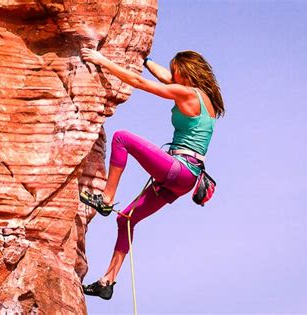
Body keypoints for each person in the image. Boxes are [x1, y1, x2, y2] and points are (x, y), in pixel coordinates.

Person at [79, 48, 225, 300]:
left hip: (180, 169)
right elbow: (165, 77)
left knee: (122, 138)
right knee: (126, 219)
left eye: (175, 72)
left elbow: (139, 83)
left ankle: (106, 198)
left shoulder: (187, 93)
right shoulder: (205, 99)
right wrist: (143, 60)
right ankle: (107, 281)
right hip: (185, 180)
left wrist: (102, 60)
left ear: (185, 74)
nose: (171, 76)